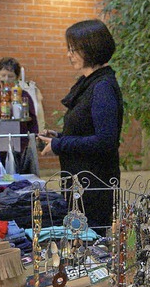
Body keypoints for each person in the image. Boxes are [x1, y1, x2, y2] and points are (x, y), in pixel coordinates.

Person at [38, 19, 123, 232]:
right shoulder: (91, 83)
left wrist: (60, 145)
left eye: (74, 49)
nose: (69, 55)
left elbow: (105, 141)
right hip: (82, 183)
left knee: (90, 246)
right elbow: (87, 131)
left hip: (93, 186)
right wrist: (57, 137)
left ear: (91, 49)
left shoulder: (102, 86)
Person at [0, 57, 40, 147]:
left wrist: (34, 139)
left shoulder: (24, 95)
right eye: (3, 75)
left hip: (17, 143)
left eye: (10, 76)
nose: (6, 79)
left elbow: (32, 121)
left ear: (17, 78)